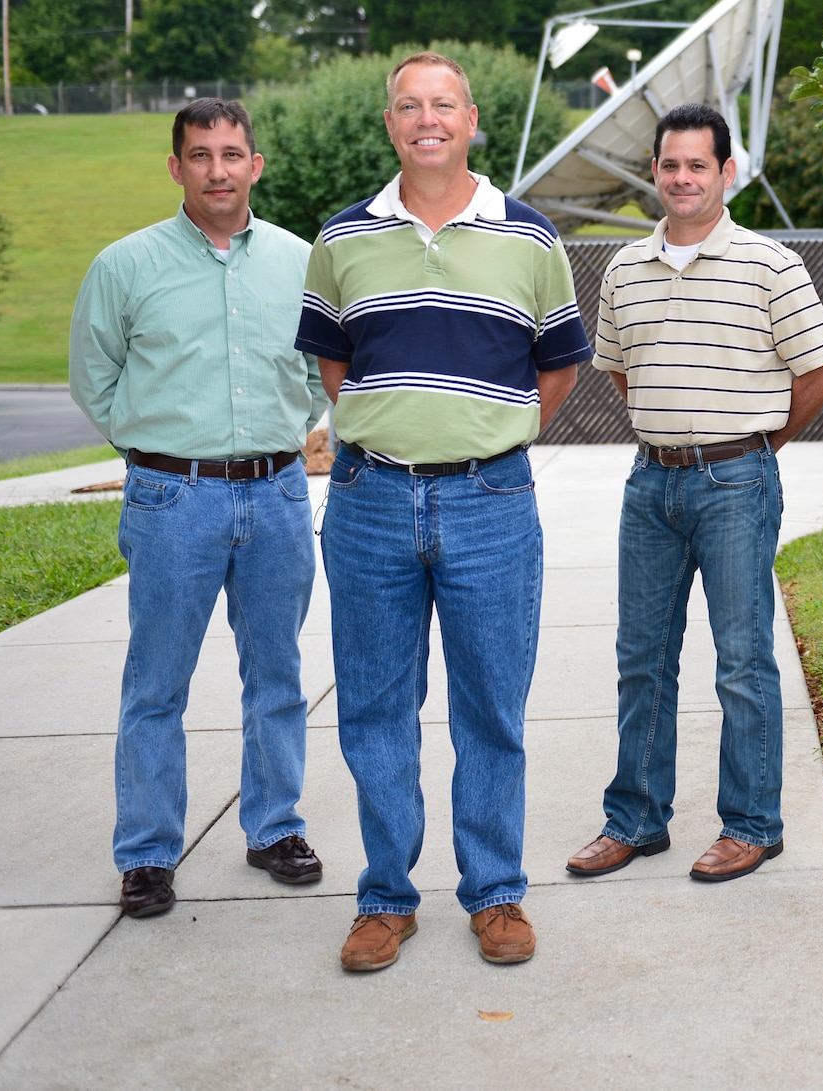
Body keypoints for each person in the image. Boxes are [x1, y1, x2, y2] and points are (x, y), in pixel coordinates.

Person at [295, 52, 590, 973]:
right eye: (408, 105)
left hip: (490, 500)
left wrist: (485, 439)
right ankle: (386, 896)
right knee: (376, 708)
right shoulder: (342, 241)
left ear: (471, 120)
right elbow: (334, 367)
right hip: (371, 500)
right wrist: (396, 431)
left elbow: (559, 368)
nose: (427, 118)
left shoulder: (531, 240)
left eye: (443, 104)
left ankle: (496, 891)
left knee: (491, 706)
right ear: (390, 124)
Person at [567, 103, 823, 886]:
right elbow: (619, 367)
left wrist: (758, 445)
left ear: (727, 172)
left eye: (698, 165)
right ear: (654, 171)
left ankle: (752, 823)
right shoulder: (623, 269)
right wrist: (674, 434)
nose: (682, 178)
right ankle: (635, 819)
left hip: (737, 482)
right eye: (669, 165)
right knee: (641, 658)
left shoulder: (771, 264)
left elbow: (821, 371)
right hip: (651, 480)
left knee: (743, 659)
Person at [70, 98, 330, 920]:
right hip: (170, 496)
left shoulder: (299, 260)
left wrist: (298, 426)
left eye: (232, 153)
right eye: (200, 154)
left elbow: (325, 364)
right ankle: (147, 851)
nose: (217, 169)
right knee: (157, 681)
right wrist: (152, 446)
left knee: (277, 674)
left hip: (279, 492)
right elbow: (93, 376)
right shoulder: (126, 265)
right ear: (176, 166)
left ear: (255, 164)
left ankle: (274, 827)